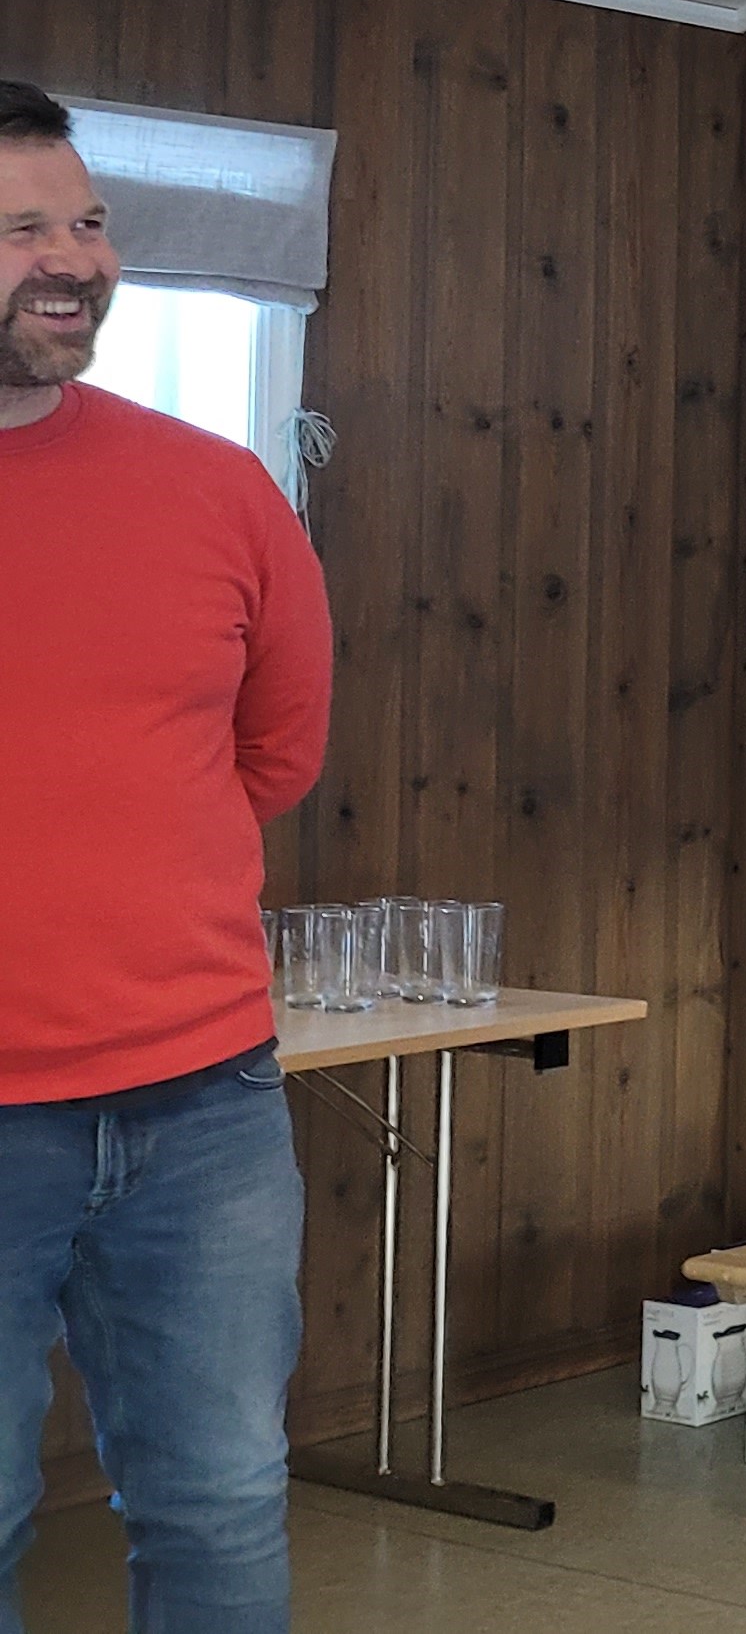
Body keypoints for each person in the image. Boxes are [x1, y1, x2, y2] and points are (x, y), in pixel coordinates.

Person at [0, 81, 333, 1634]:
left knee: (220, 1504)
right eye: (23, 229)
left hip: (204, 1108)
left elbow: (272, 757)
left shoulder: (217, 489)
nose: (72, 258)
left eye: (88, 221)